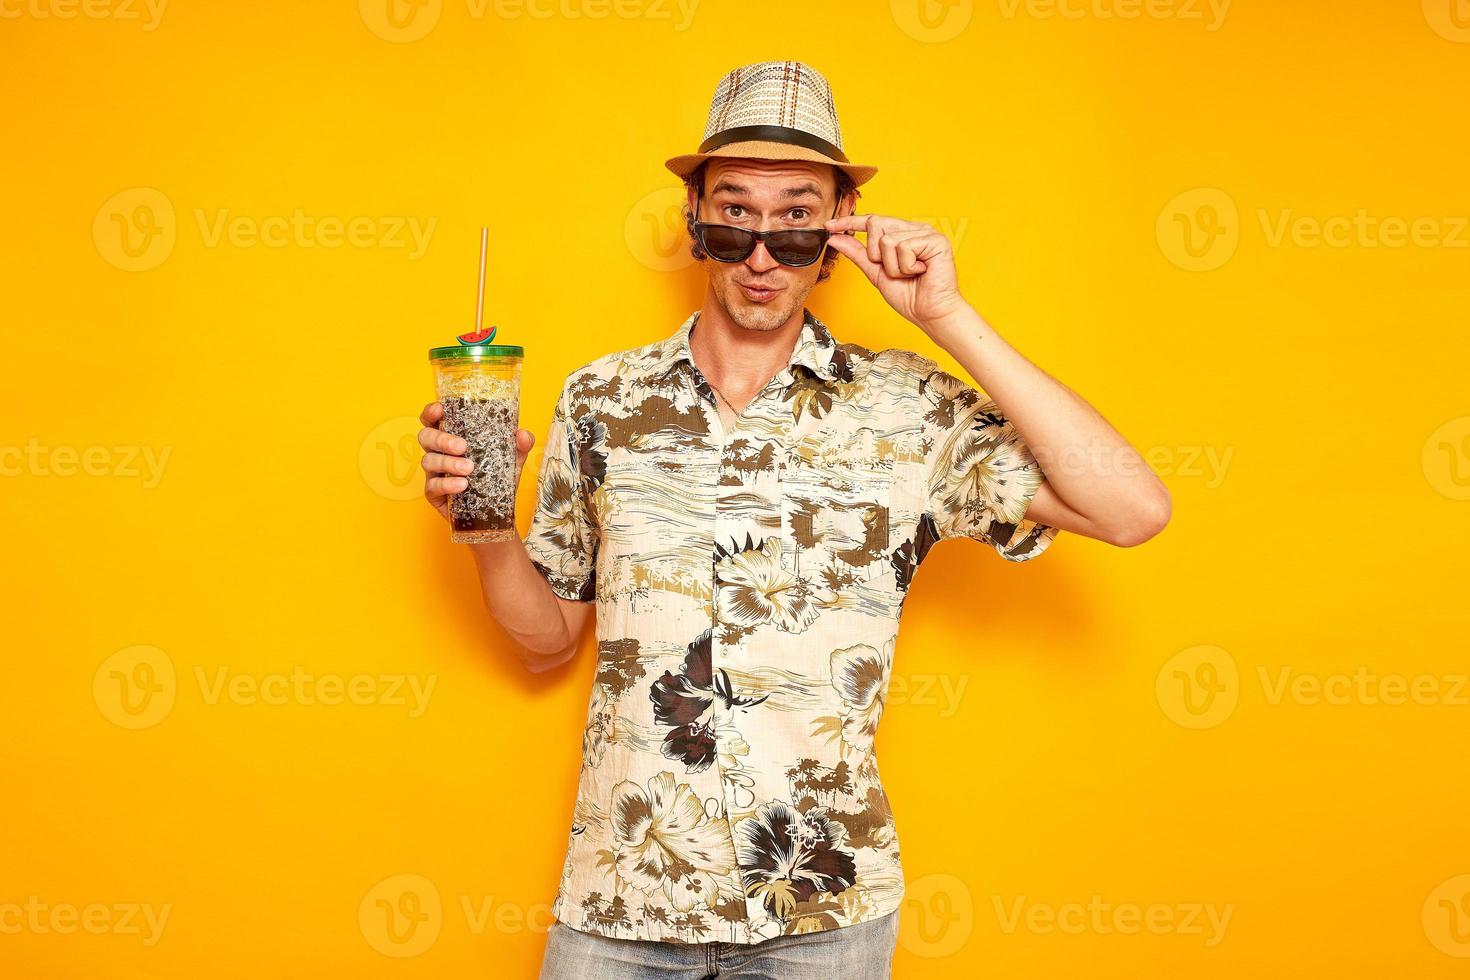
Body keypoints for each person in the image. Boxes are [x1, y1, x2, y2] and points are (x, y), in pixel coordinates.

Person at [417, 60, 1170, 979]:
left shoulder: (907, 409)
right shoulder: (601, 400)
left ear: (838, 226)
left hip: (826, 913)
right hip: (622, 902)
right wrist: (485, 526)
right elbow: (545, 640)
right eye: (734, 215)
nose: (762, 255)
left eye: (795, 220)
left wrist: (947, 316)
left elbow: (1132, 510)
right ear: (694, 217)